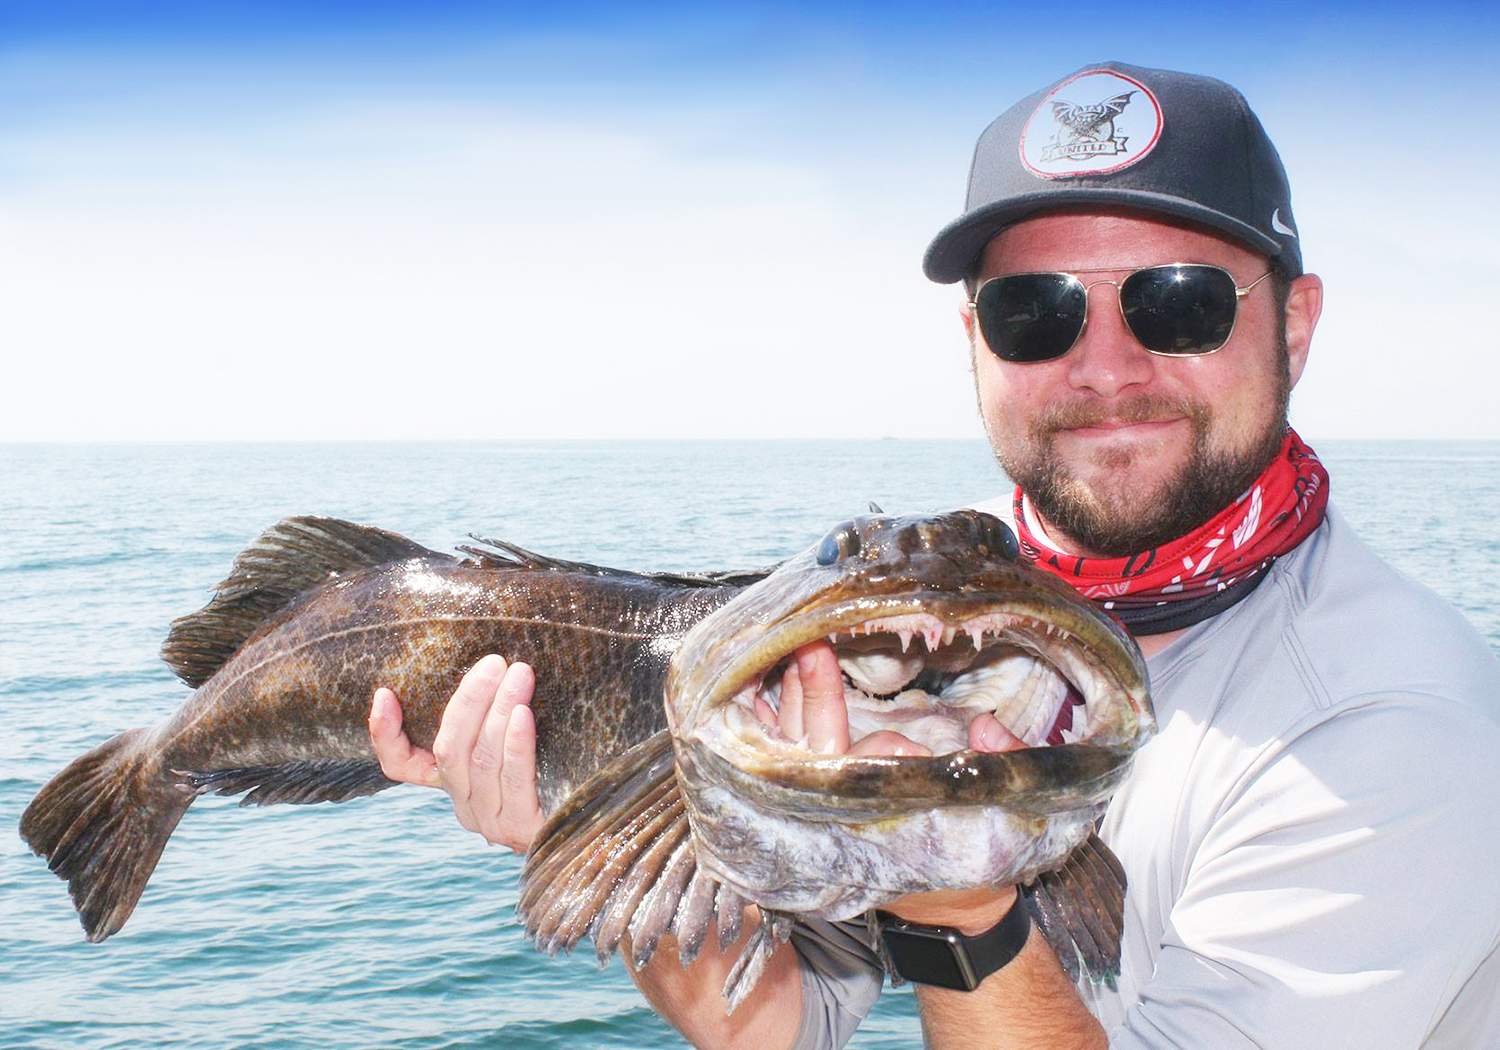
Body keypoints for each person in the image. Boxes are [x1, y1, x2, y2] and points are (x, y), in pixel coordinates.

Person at [367, 62, 1500, 1048]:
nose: (1104, 368)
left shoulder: (1388, 718)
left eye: (1180, 303)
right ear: (976, 344)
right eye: (1033, 314)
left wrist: (957, 906)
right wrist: (611, 833)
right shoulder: (939, 595)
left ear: (1294, 325)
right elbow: (777, 1026)